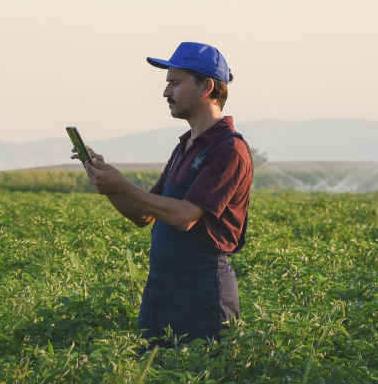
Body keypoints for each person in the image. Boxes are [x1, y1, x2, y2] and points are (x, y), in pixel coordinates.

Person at [74, 42, 252, 347]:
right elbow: (143, 215)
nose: (166, 92)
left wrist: (123, 185)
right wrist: (107, 185)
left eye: (175, 82)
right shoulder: (184, 147)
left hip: (203, 290)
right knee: (155, 382)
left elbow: (185, 216)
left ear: (207, 87)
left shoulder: (228, 149)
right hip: (161, 287)